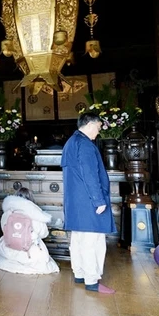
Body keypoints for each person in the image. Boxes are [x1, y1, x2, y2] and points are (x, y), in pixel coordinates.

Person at [61, 111, 116, 294]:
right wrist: (98, 200)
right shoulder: (85, 145)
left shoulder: (70, 143)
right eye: (99, 128)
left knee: (78, 239)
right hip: (88, 201)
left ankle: (80, 273)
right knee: (93, 241)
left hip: (76, 203)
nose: (99, 132)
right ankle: (92, 280)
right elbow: (90, 174)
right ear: (91, 124)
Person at [0, 188, 59, 275]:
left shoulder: (7, 213)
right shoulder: (35, 214)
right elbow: (44, 234)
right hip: (29, 253)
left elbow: (3, 228)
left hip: (7, 249)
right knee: (43, 260)